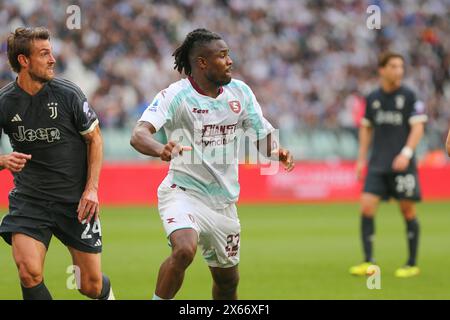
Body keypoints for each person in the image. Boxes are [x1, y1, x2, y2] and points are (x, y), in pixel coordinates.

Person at [130, 28, 294, 300]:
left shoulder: (240, 93)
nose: (230, 61)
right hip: (183, 192)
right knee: (184, 250)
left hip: (223, 204)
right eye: (222, 55)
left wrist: (276, 151)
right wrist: (161, 148)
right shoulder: (176, 96)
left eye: (228, 55)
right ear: (202, 62)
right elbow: (139, 134)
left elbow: (262, 136)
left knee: (227, 283)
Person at [0, 27, 114, 299]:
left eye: (51, 52)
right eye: (44, 54)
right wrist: (2, 160)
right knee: (29, 271)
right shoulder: (5, 102)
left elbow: (95, 140)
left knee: (90, 285)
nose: (53, 59)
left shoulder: (68, 94)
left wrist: (92, 189)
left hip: (74, 202)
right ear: (24, 61)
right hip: (30, 200)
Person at [350, 52, 427, 278]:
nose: (398, 71)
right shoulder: (373, 97)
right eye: (393, 66)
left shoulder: (411, 96)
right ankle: (368, 261)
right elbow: (366, 128)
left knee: (407, 210)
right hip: (377, 164)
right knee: (366, 207)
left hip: (403, 164)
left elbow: (418, 127)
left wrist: (406, 152)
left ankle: (411, 263)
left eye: (401, 67)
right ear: (382, 70)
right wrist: (361, 159)